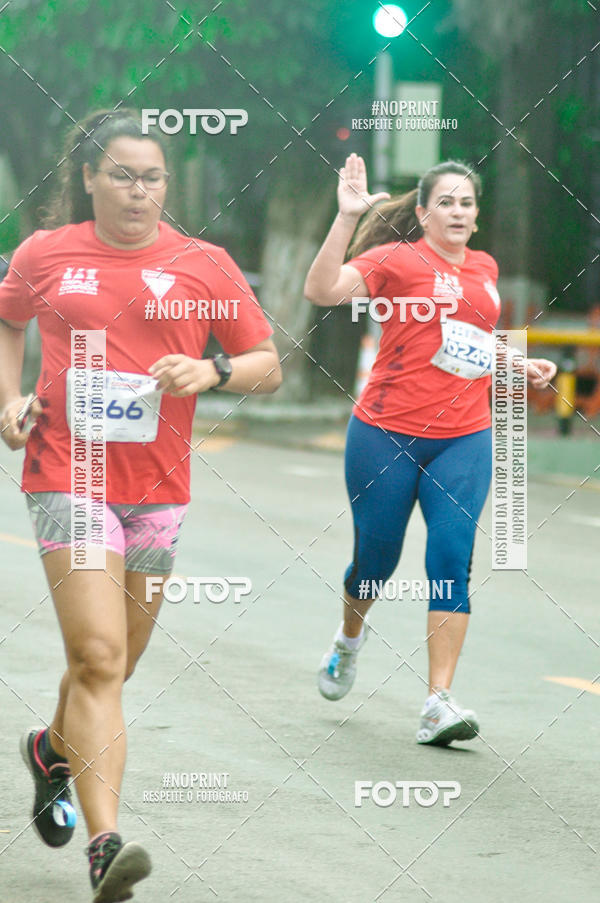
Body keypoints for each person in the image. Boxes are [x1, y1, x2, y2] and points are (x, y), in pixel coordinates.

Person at [0, 108, 281, 902]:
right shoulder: (45, 254)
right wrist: (10, 399)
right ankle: (105, 843)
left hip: (158, 490)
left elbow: (267, 363)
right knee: (97, 657)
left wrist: (213, 375)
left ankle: (52, 750)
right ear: (88, 177)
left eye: (152, 176)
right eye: (121, 174)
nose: (138, 190)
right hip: (67, 471)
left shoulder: (203, 263)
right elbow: (7, 319)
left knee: (115, 663)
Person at [304, 153, 555, 746]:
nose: (459, 211)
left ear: (477, 214)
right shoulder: (397, 260)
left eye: (467, 202)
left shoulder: (485, 268)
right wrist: (345, 218)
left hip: (465, 435)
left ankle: (436, 703)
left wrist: (518, 365)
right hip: (385, 434)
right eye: (446, 201)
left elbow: (469, 342)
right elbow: (321, 291)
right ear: (421, 212)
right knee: (376, 563)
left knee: (451, 558)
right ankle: (349, 641)